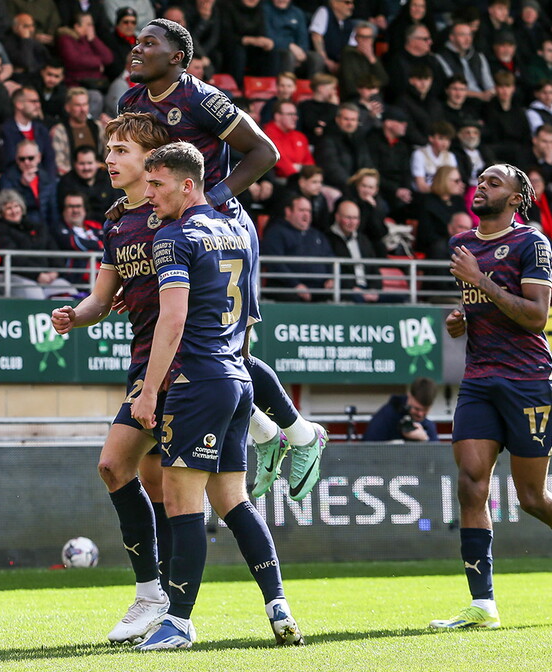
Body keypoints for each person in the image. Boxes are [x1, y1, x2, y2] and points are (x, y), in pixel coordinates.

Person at [120, 18, 326, 503]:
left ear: (177, 57)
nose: (137, 47)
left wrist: (210, 200)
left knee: (227, 351)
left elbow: (264, 151)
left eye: (150, 42)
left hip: (220, 231)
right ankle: (267, 433)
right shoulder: (129, 103)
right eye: (137, 40)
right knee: (192, 350)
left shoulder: (201, 98)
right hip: (166, 226)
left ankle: (299, 435)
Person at [130, 141, 302, 650]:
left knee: (184, 505)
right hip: (237, 378)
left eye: (157, 183)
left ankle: (177, 622)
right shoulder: (236, 229)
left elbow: (173, 319)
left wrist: (149, 392)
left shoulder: (172, 236)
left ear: (188, 184)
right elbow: (250, 315)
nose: (149, 193)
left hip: (196, 381)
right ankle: (278, 605)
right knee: (233, 499)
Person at [434, 163, 552, 630]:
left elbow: (536, 317)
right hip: (479, 379)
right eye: (480, 179)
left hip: (527, 380)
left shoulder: (532, 243)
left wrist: (480, 282)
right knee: (470, 484)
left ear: (517, 198)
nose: (482, 185)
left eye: (494, 182)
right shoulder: (462, 244)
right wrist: (461, 318)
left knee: (531, 497)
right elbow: (479, 308)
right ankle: (484, 604)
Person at [51, 112, 174, 644]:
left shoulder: (177, 210)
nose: (110, 158)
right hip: (143, 360)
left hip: (186, 363)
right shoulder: (117, 220)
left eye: (121, 149)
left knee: (120, 465)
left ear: (151, 159)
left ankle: (161, 597)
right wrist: (75, 316)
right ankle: (160, 596)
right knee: (146, 480)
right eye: (109, 149)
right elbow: (103, 298)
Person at [0, 189, 74, 299]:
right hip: (20, 277)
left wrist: (55, 272)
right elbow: (14, 258)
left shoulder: (37, 227)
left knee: (69, 292)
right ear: (1, 212)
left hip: (48, 277)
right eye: (8, 208)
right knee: (34, 294)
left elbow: (53, 250)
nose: (14, 211)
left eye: (16, 206)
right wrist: (37, 275)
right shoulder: (0, 230)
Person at [362, 377, 438, 442]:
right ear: (409, 396)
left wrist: (424, 439)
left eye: (425, 410)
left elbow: (438, 456)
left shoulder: (427, 425)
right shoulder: (387, 417)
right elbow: (368, 449)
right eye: (416, 409)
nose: (420, 414)